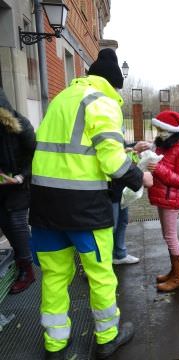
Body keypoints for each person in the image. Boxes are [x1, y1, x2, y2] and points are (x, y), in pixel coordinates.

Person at [29, 48, 153, 360]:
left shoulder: (62, 99)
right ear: (113, 83)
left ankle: (55, 342)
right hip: (85, 208)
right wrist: (140, 178)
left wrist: (125, 147)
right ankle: (108, 337)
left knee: (55, 276)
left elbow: (75, 146)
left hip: (44, 206)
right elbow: (111, 160)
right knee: (100, 275)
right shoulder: (103, 101)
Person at [148, 111, 179, 292]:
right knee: (167, 236)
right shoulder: (167, 145)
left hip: (171, 198)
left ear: (171, 130)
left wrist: (158, 168)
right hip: (164, 197)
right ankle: (173, 272)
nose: (158, 132)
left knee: (170, 237)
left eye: (161, 129)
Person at [0, 87, 36, 294]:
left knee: (17, 223)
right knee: (5, 223)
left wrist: (21, 177)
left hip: (19, 184)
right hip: (2, 184)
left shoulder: (20, 125)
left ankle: (27, 270)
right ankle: (22, 258)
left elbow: (36, 156)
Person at [111, 140, 151, 265]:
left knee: (122, 221)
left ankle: (119, 254)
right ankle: (100, 263)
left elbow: (119, 149)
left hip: (120, 187)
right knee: (109, 228)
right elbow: (109, 157)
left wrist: (131, 149)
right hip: (108, 190)